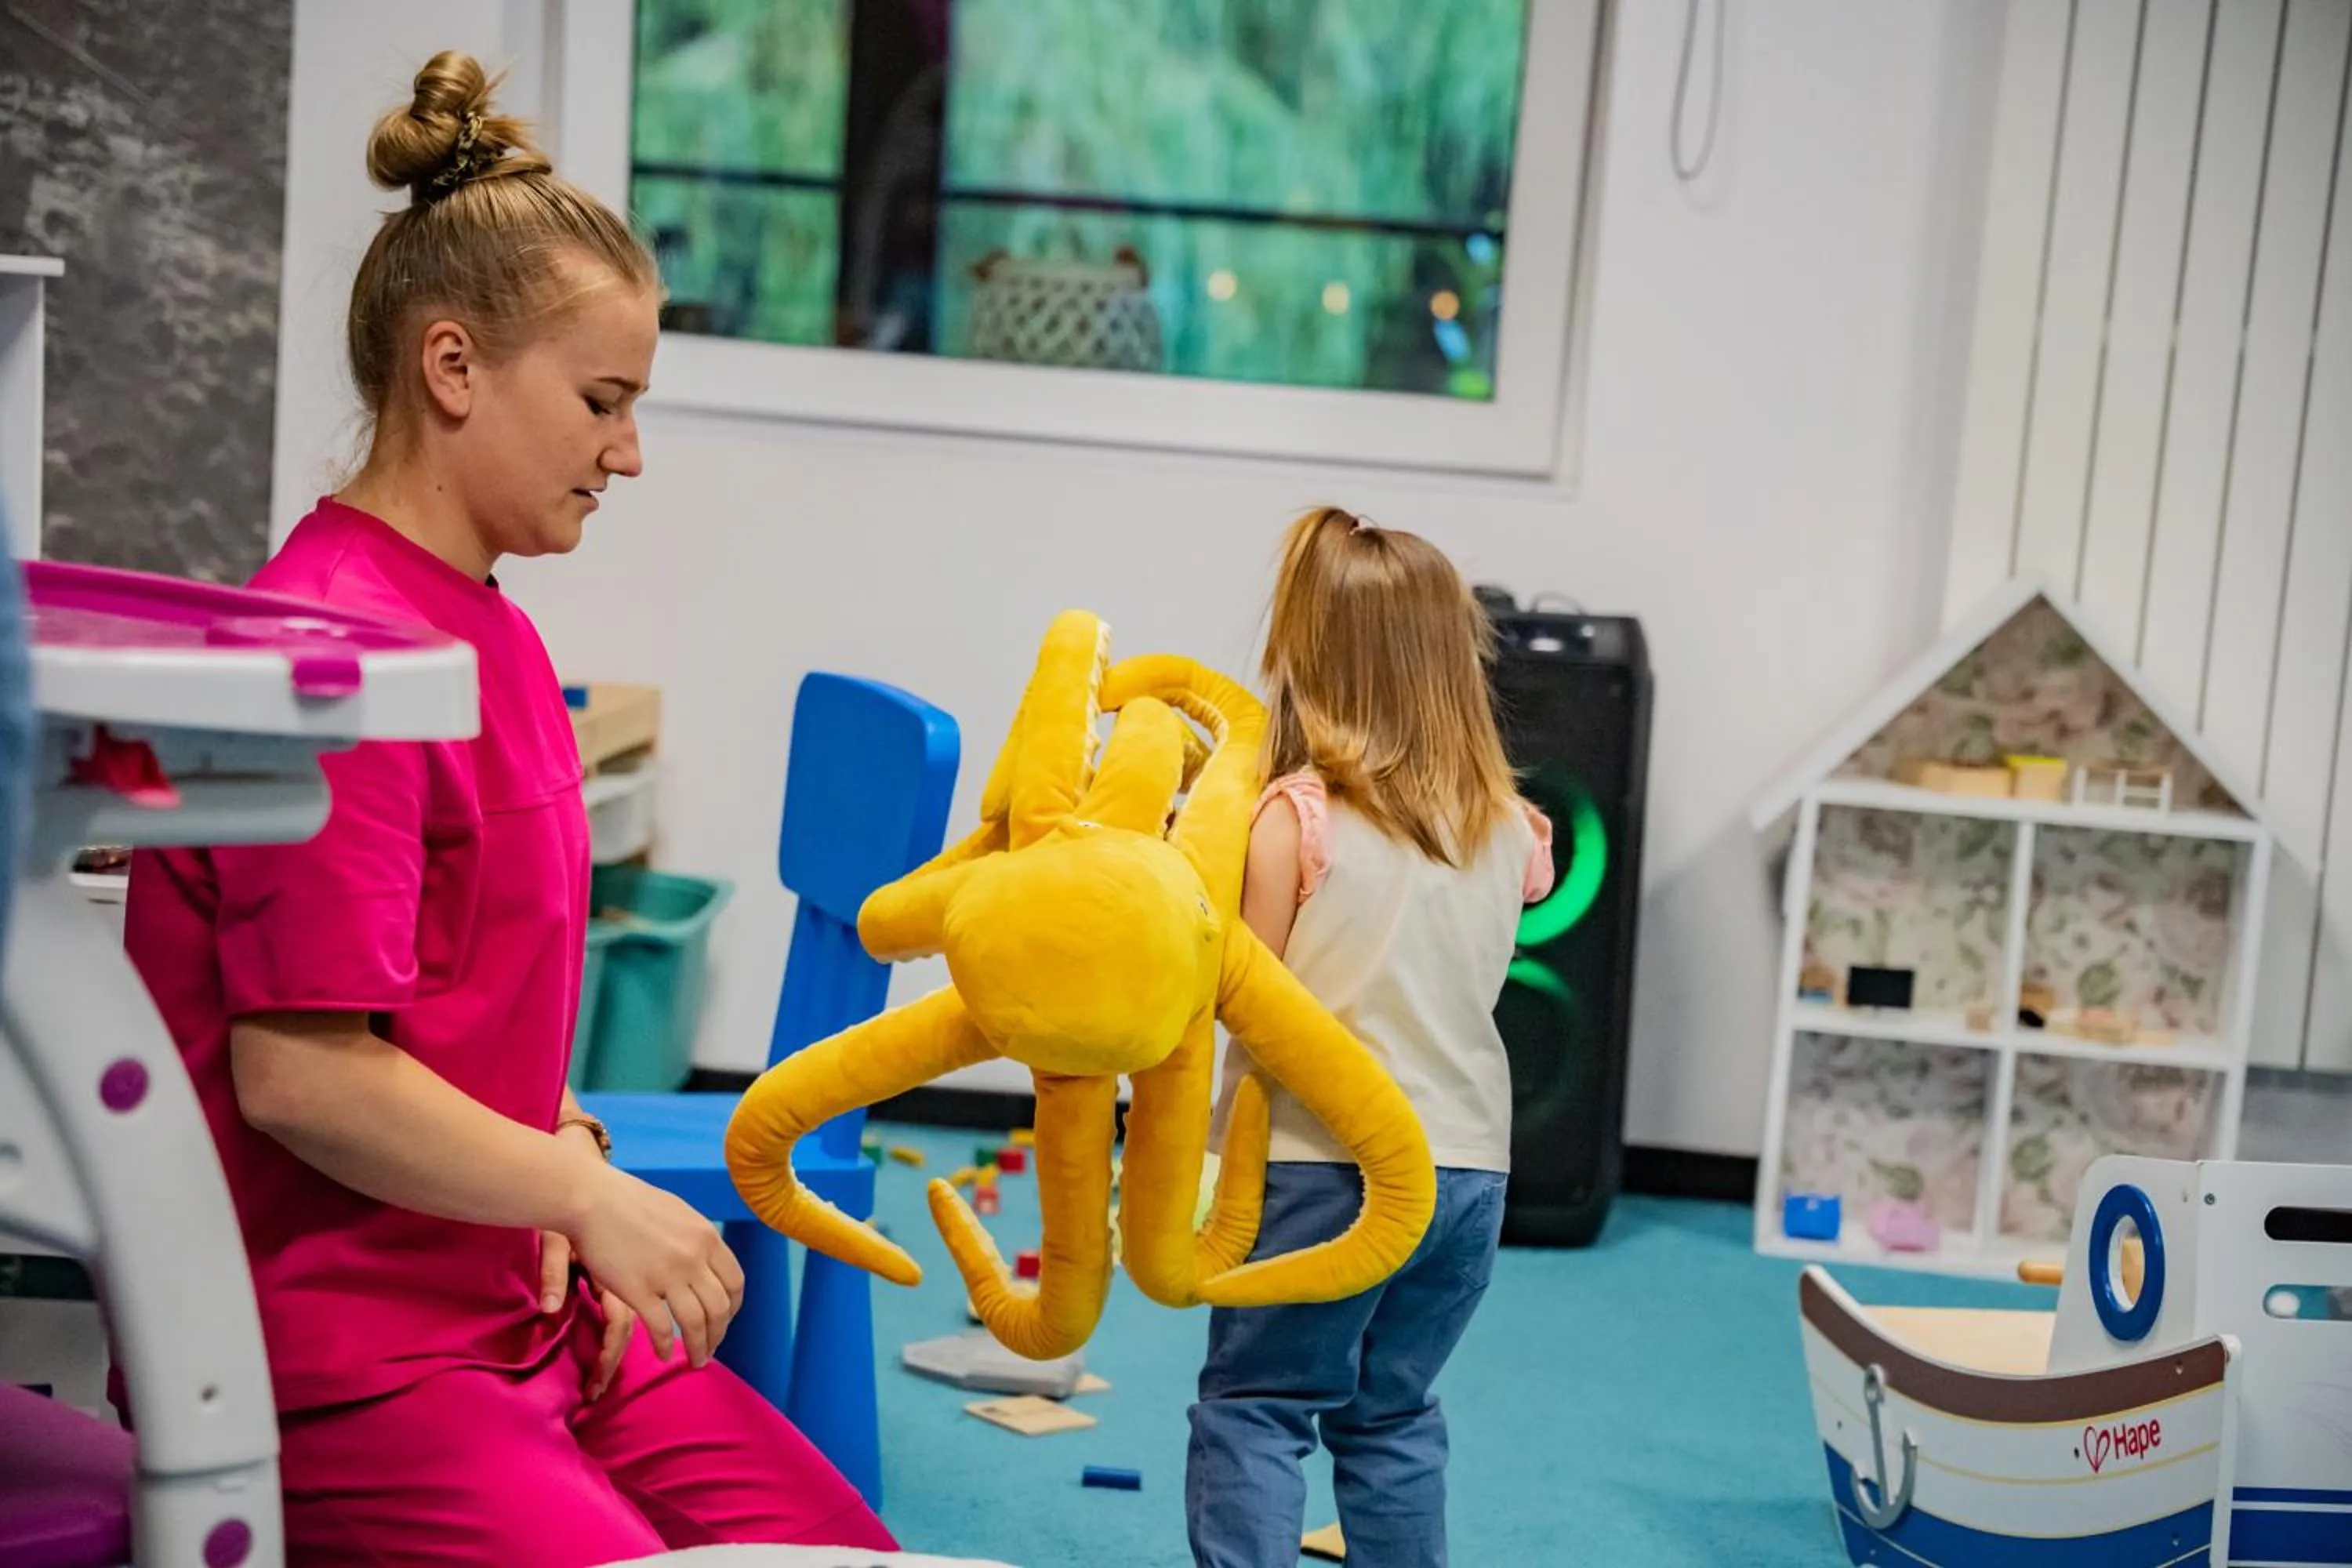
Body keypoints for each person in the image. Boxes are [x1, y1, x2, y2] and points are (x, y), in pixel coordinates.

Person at [122, 52, 895, 1565]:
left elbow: (458, 1002)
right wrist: (578, 1193)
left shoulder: (495, 629)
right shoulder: (332, 656)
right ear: (455, 366)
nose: (630, 451)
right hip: (347, 1372)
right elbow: (302, 1076)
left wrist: (555, 1175)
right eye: (602, 401)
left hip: (519, 1317)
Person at [1185, 506, 1554, 1568]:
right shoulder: (1509, 830)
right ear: (1454, 664)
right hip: (1469, 1175)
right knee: (1390, 1413)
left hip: (1324, 1170)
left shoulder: (1291, 821)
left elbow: (1235, 997)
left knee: (1255, 1404)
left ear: (1306, 662)